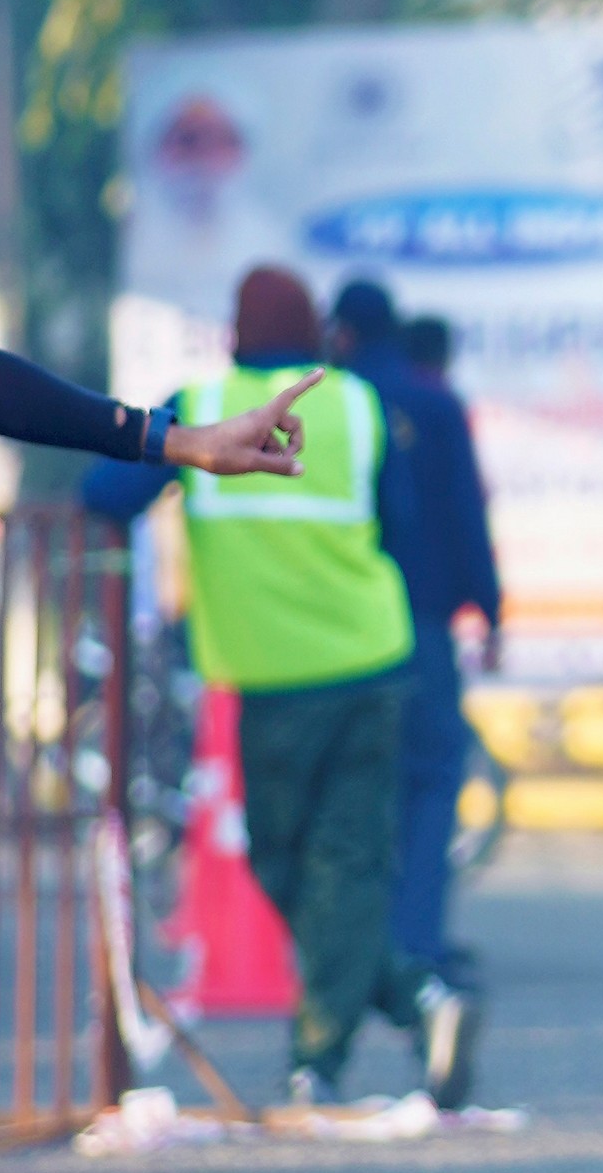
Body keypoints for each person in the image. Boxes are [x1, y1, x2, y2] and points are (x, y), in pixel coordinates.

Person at [84, 267, 476, 1109]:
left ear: (234, 331)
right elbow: (406, 533)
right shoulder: (359, 404)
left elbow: (105, 492)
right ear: (317, 332)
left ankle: (318, 1062)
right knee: (343, 865)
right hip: (371, 662)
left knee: (289, 861)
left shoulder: (200, 402)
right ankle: (416, 997)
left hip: (270, 677)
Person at [324, 281, 502, 997]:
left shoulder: (331, 401)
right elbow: (465, 513)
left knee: (355, 789)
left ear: (341, 334)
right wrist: (490, 608)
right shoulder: (434, 402)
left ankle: (350, 947)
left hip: (336, 627)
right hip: (421, 625)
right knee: (430, 780)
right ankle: (415, 943)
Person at [0, 342, 317, 474]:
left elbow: (107, 496)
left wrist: (185, 442)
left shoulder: (198, 396)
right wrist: (185, 442)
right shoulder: (349, 396)